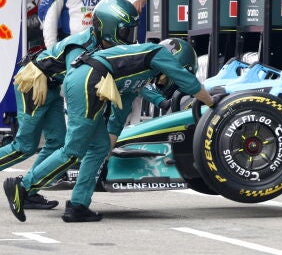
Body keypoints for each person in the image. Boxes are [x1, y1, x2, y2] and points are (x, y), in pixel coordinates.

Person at [3, 38, 216, 222]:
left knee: (99, 146)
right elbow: (187, 81)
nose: (166, 80)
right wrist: (212, 103)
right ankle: (23, 187)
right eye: (170, 74)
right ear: (175, 61)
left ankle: (78, 206)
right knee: (73, 150)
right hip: (88, 79)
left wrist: (108, 150)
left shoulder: (137, 77)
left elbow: (117, 120)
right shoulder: (157, 52)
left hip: (87, 80)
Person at [0, 0, 139, 211]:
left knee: (56, 142)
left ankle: (27, 192)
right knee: (24, 146)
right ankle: (24, 188)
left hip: (51, 87)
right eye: (125, 31)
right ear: (109, 26)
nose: (129, 37)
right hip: (33, 82)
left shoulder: (100, 43)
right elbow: (75, 80)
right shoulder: (81, 45)